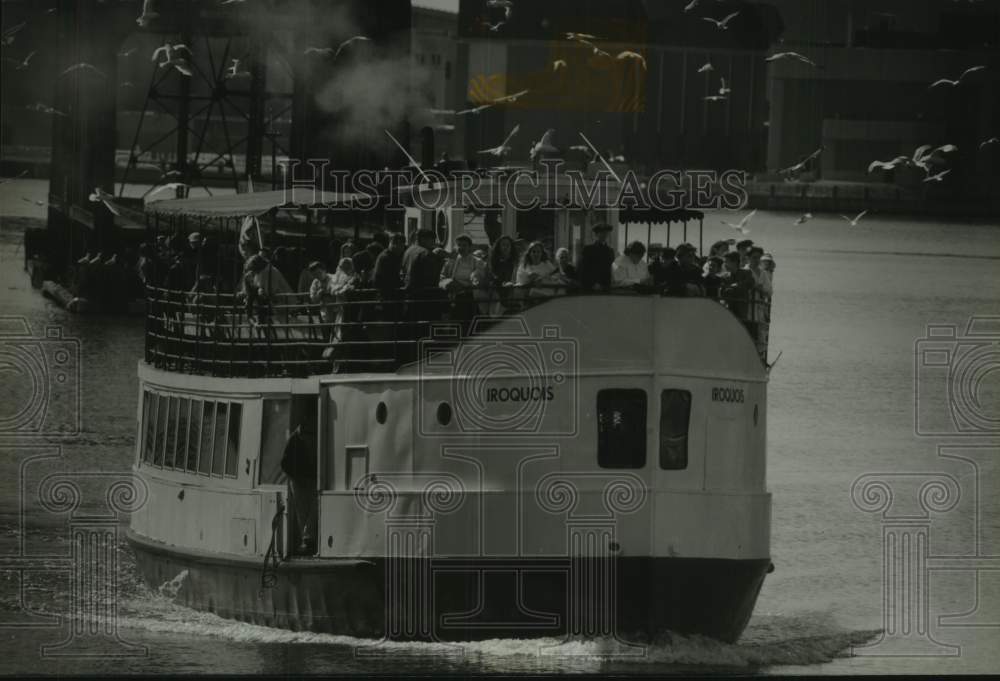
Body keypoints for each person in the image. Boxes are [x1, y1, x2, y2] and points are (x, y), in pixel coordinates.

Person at [280, 425, 317, 555]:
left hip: (310, 480)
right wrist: (297, 478)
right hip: (298, 481)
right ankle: (307, 540)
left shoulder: (313, 437)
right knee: (302, 510)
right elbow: (284, 463)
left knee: (312, 507)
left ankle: (308, 539)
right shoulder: (294, 439)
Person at [578, 223, 615, 292]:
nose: (604, 235)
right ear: (596, 234)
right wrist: (592, 283)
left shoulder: (610, 251)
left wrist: (608, 285)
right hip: (590, 287)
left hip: (605, 287)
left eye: (606, 233)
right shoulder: (588, 249)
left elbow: (609, 270)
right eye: (601, 233)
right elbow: (583, 269)